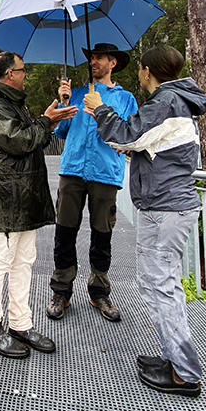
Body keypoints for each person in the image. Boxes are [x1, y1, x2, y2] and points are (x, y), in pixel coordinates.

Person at [83, 44, 206, 397]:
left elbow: (128, 134)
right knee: (156, 284)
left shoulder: (166, 102)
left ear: (147, 71)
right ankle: (172, 359)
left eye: (139, 67)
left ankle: (184, 374)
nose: (138, 72)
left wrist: (100, 109)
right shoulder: (175, 101)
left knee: (161, 288)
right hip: (165, 205)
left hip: (166, 208)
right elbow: (143, 142)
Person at [0, 51, 77, 359]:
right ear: (9, 74)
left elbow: (32, 139)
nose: (25, 75)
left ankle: (20, 324)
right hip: (7, 198)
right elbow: (19, 141)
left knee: (23, 263)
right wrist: (47, 121)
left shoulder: (12, 104)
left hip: (25, 197)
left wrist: (45, 120)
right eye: (22, 71)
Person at [47, 43, 138, 322]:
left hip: (105, 173)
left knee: (102, 235)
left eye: (99, 58)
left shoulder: (125, 98)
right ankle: (61, 290)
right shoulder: (76, 93)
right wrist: (63, 104)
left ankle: (99, 291)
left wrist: (100, 112)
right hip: (72, 169)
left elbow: (128, 134)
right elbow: (59, 131)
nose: (94, 62)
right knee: (64, 232)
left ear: (113, 63)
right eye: (92, 58)